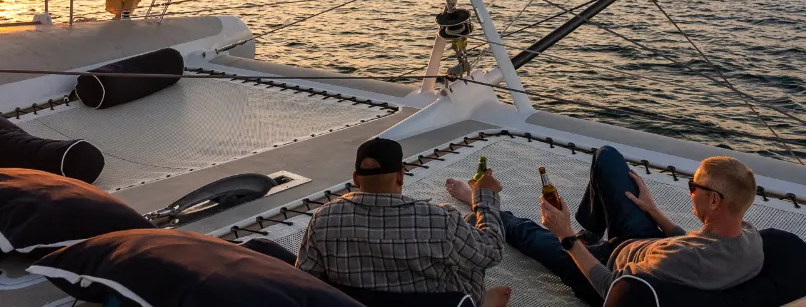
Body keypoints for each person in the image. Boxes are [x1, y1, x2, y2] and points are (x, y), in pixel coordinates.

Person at [501, 146, 763, 305]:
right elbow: (699, 245)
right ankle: (591, 232)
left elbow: (609, 286)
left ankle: (482, 205)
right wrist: (654, 212)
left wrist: (567, 236)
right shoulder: (749, 236)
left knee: (528, 235)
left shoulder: (684, 259)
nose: (690, 192)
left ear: (714, 200)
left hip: (605, 266)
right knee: (607, 157)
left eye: (693, 187)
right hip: (647, 242)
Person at [297, 138, 511, 307]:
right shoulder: (439, 220)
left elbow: (304, 279)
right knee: (470, 234)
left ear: (356, 179)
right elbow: (491, 252)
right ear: (400, 176)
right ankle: (480, 301)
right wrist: (485, 197)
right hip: (434, 301)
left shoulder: (323, 218)